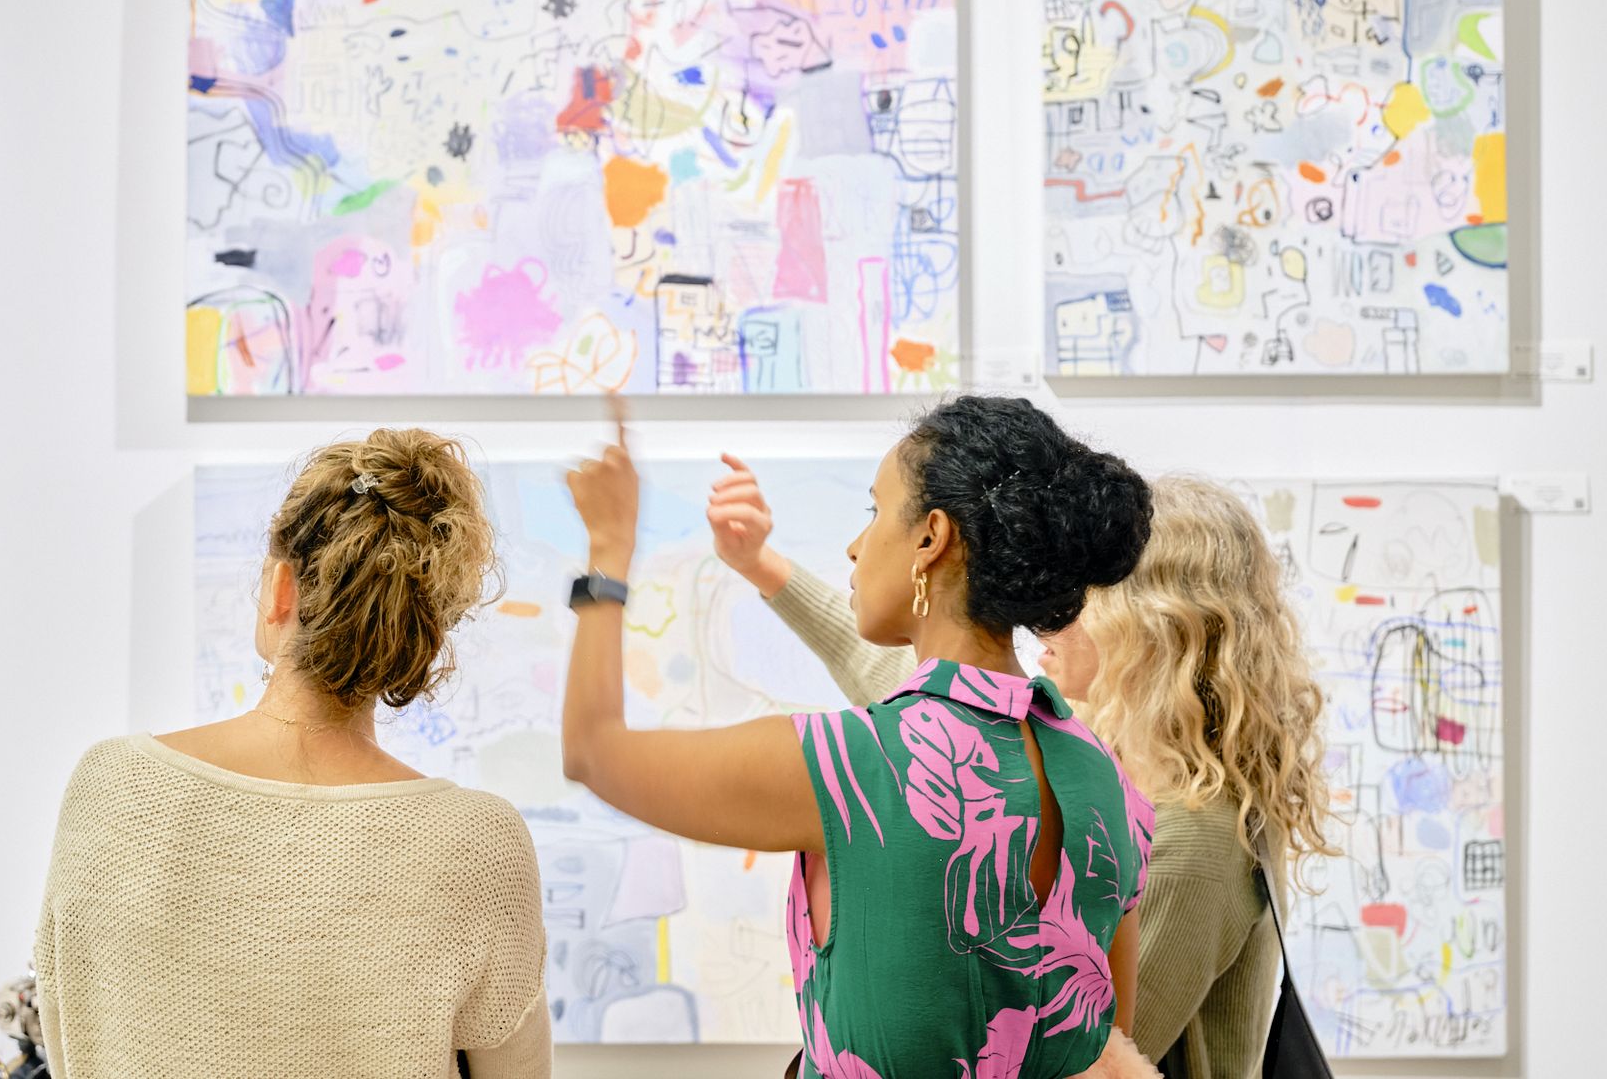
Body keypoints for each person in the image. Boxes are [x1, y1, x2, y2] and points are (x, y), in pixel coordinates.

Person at [562, 395, 1162, 1078]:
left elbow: (593, 751)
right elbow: (1107, 1041)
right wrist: (762, 565)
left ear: (930, 538)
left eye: (874, 512)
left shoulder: (852, 766)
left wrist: (608, 550)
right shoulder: (1104, 776)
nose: (856, 545)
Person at [719, 463, 1334, 1078]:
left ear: (1152, 625)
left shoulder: (1192, 832)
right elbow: (914, 700)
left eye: (1074, 596)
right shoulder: (1095, 753)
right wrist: (761, 564)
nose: (1042, 614)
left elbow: (1075, 1052)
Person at [33, 430, 550, 1079]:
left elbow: (71, 1039)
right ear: (424, 633)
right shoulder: (478, 843)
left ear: (281, 590)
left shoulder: (109, 787)